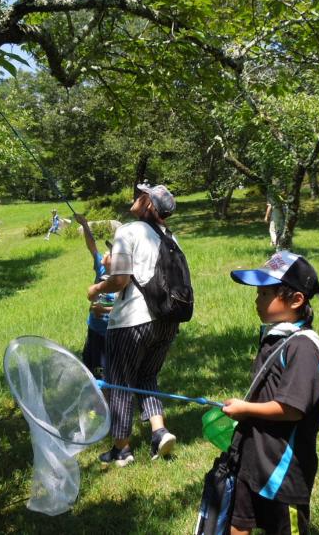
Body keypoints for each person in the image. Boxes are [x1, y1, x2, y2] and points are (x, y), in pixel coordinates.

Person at [223, 251, 319, 535]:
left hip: (283, 470)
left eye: (264, 294)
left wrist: (244, 409)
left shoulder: (304, 347)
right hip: (253, 458)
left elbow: (292, 408)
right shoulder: (276, 337)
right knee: (237, 523)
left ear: (296, 300)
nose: (256, 300)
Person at [86, 184, 181, 467]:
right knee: (147, 377)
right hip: (166, 322)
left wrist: (95, 289)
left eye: (142, 196)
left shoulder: (128, 231)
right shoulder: (171, 237)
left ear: (150, 205)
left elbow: (120, 280)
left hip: (132, 322)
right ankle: (159, 432)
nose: (136, 198)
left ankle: (121, 449)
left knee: (120, 382)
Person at [73, 213, 114, 378]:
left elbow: (124, 307)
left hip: (108, 336)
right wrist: (84, 224)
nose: (105, 252)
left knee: (103, 374)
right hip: (93, 330)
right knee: (90, 367)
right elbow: (92, 246)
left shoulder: (124, 279)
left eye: (110, 252)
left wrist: (102, 309)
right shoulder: (102, 269)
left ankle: (106, 401)